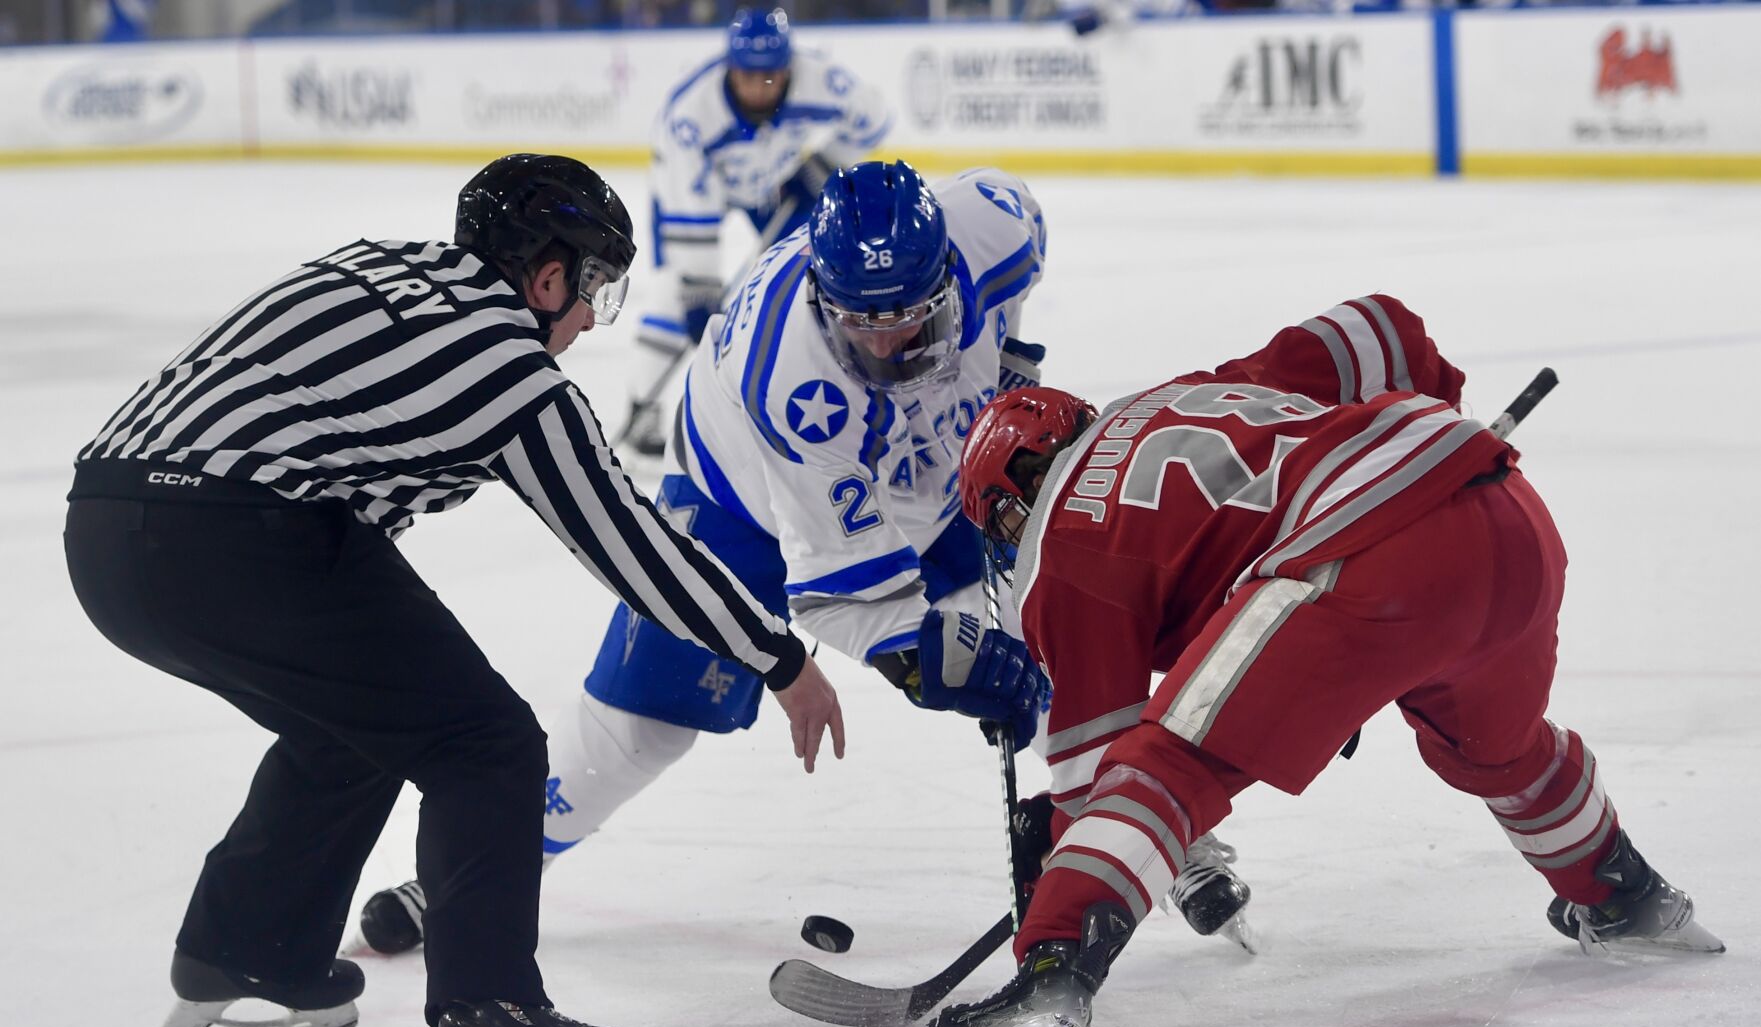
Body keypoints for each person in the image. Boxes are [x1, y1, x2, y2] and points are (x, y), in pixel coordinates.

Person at [62, 153, 845, 1027]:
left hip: (104, 524)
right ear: (548, 276)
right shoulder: (511, 371)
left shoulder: (373, 264)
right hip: (242, 532)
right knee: (485, 745)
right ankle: (497, 1024)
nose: (586, 322)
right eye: (592, 290)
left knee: (351, 727)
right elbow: (632, 547)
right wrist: (778, 657)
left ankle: (248, 951)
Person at [358, 159, 1254, 961]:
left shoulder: (995, 220)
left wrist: (1010, 369)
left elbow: (1011, 306)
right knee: (641, 728)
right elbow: (840, 599)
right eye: (860, 324)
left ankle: (1152, 827)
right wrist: (942, 661)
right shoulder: (795, 385)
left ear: (946, 270)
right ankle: (472, 874)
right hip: (741, 500)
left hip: (936, 467)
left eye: (907, 318)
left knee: (1065, 623)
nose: (886, 345)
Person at [916, 294, 1725, 1027]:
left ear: (1013, 503)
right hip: (1499, 507)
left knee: (1167, 767)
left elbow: (1105, 775)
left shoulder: (1061, 540)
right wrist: (1433, 419)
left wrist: (1058, 852)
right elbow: (1376, 329)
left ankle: (1041, 999)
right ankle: (1630, 901)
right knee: (1495, 748)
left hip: (1357, 559)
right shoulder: (1176, 395)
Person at [620, 5, 893, 456]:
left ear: (789, 68)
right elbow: (693, 213)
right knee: (674, 292)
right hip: (693, 191)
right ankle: (641, 403)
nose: (761, 87)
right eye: (749, 75)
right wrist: (699, 289)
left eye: (772, 76)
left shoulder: (821, 80)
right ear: (731, 67)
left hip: (774, 185)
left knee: (808, 275)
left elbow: (874, 118)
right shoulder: (690, 118)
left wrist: (824, 164)